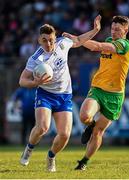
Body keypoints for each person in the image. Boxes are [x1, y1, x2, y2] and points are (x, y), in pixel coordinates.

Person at [19, 15, 101, 172]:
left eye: (51, 39)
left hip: (64, 95)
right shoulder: (36, 58)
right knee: (43, 127)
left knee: (64, 135)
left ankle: (51, 156)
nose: (48, 43)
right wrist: (35, 83)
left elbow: (78, 40)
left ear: (55, 38)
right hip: (45, 94)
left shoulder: (62, 44)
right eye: (44, 40)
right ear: (39, 40)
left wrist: (95, 29)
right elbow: (22, 80)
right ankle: (29, 149)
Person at [63, 15, 129, 170]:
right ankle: (90, 125)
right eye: (112, 28)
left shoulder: (125, 45)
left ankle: (84, 162)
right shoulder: (109, 40)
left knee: (98, 133)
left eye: (117, 29)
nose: (113, 32)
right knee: (84, 116)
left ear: (126, 30)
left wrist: (77, 39)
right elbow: (98, 46)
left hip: (115, 96)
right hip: (98, 88)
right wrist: (86, 36)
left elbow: (97, 47)